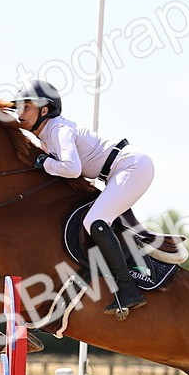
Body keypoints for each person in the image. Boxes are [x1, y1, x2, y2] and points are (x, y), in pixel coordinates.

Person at [13, 80, 152, 318]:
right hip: (120, 170)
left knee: (94, 221)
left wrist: (44, 163)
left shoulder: (58, 129)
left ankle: (128, 289)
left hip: (132, 166)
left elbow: (72, 169)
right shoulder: (46, 135)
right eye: (19, 107)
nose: (20, 114)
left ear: (44, 110)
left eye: (26, 107)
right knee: (93, 219)